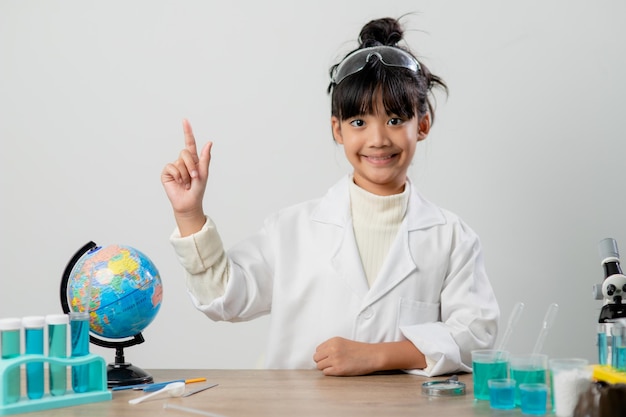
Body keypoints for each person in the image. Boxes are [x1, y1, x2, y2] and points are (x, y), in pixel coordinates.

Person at [161, 17, 499, 377]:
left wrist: (379, 355)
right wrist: (189, 214)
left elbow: (478, 334)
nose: (378, 139)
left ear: (424, 124)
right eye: (359, 122)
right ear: (337, 129)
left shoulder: (451, 237)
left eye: (396, 120)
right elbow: (225, 299)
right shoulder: (291, 229)